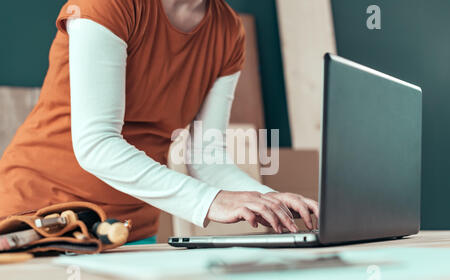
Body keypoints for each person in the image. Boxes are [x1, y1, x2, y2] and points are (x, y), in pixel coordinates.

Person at [0, 0, 318, 243]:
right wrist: (212, 201)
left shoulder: (228, 31)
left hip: (126, 233)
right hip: (35, 222)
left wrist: (269, 200)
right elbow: (96, 145)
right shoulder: (109, 5)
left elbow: (207, 159)